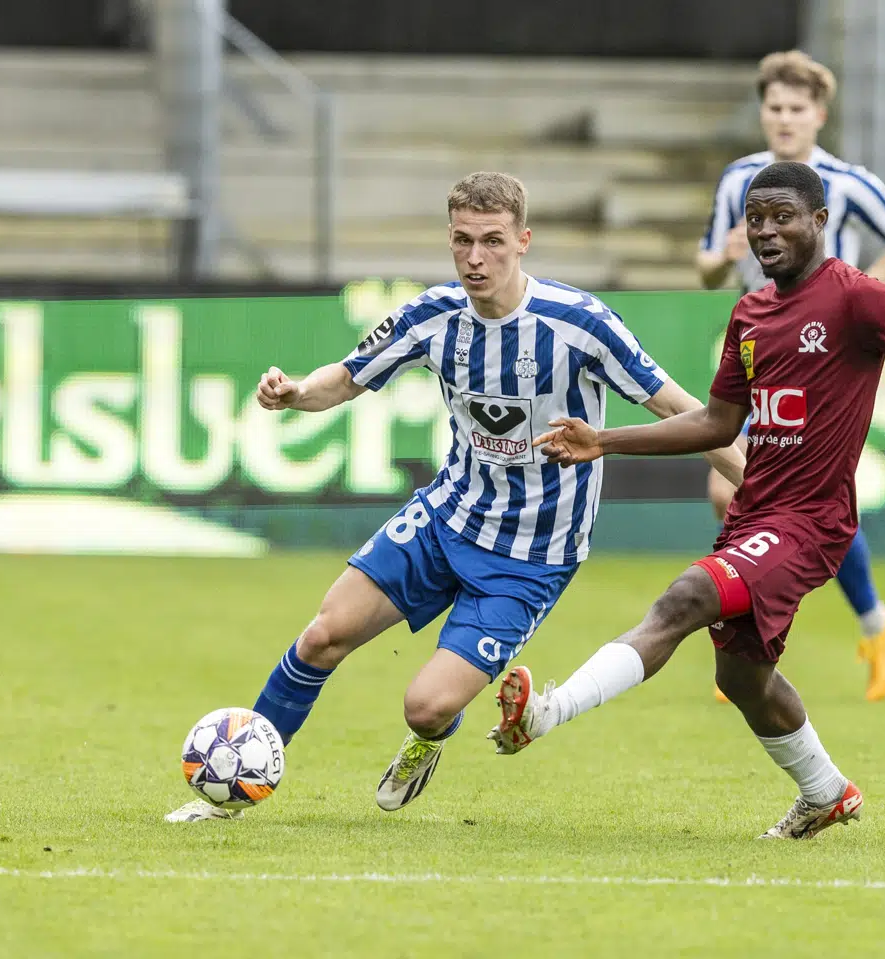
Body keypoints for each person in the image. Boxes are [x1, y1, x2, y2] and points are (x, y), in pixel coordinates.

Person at [488, 162, 885, 840]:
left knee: (683, 598)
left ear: (820, 221)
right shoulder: (750, 313)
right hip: (755, 514)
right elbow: (718, 423)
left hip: (812, 521)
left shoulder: (861, 298)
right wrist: (605, 439)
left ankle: (544, 713)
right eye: (755, 220)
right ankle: (826, 790)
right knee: (744, 679)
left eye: (782, 217)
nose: (766, 231)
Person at [166, 171, 743, 822]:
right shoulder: (431, 315)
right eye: (463, 241)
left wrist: (758, 481)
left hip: (531, 556)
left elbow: (682, 408)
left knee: (428, 705)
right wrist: (296, 392)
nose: (476, 258)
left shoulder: (579, 324)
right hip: (448, 517)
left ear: (523, 241)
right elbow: (350, 378)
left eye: (493, 241)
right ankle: (237, 790)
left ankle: (425, 743)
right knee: (323, 634)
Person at [697, 50, 885, 702]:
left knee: (797, 491)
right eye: (774, 107)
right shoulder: (739, 179)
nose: (784, 119)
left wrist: (857, 297)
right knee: (736, 488)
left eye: (797, 109)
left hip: (827, 352)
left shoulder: (844, 181)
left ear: (818, 115)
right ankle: (870, 622)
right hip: (757, 342)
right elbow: (706, 268)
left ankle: (770, 634)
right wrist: (724, 256)